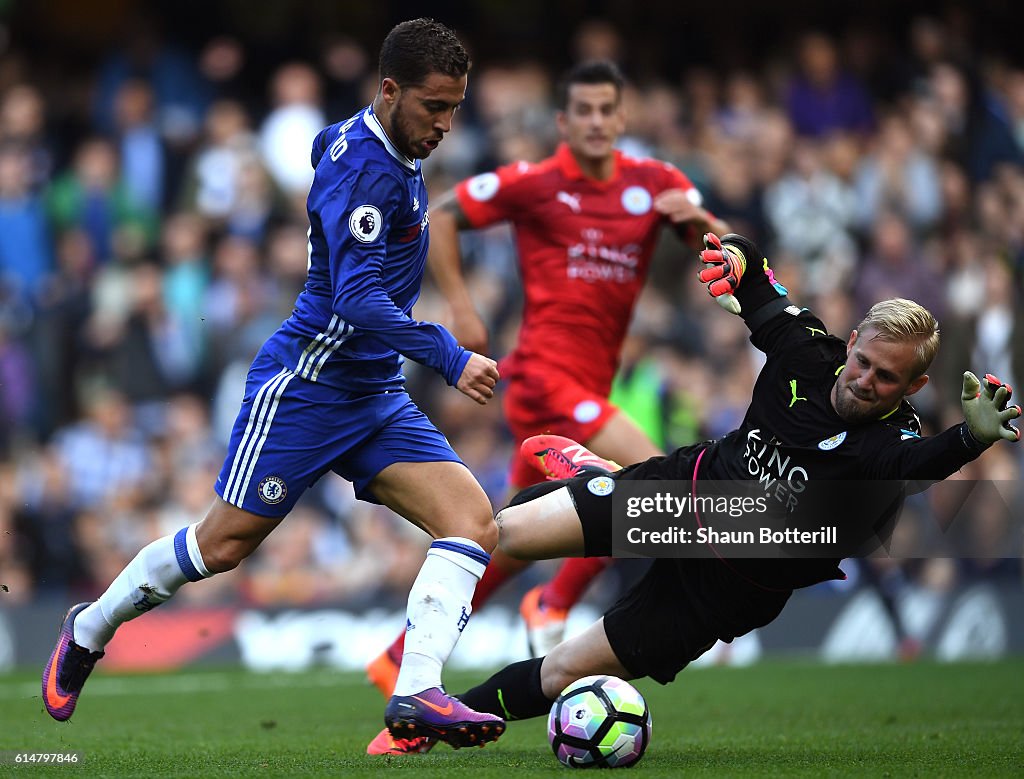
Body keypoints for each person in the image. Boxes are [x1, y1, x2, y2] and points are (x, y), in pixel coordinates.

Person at [42, 18, 506, 750]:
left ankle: (417, 690)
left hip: (374, 390)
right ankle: (89, 626)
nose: (447, 124)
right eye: (434, 107)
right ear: (390, 92)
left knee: (472, 521)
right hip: (308, 387)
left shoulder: (370, 141)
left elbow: (328, 146)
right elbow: (354, 298)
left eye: (454, 108)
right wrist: (448, 354)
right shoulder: (365, 172)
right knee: (221, 546)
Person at [370, 231, 1020, 753]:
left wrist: (971, 438)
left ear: (913, 386)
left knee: (561, 671)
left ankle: (428, 728)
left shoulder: (891, 442)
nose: (866, 381)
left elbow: (923, 461)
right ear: (851, 344)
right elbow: (757, 275)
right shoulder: (804, 352)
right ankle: (421, 687)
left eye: (887, 378)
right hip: (684, 498)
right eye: (864, 362)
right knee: (496, 533)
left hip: (731, 586)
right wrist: (732, 255)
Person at [365, 59, 728, 696]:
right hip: (541, 379)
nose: (594, 122)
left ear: (622, 118)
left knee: (509, 534)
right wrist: (462, 307)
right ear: (564, 121)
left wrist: (702, 228)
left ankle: (399, 655)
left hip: (592, 386)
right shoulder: (537, 183)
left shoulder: (656, 182)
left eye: (605, 110)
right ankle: (555, 605)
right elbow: (444, 213)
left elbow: (727, 251)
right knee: (652, 492)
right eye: (581, 111)